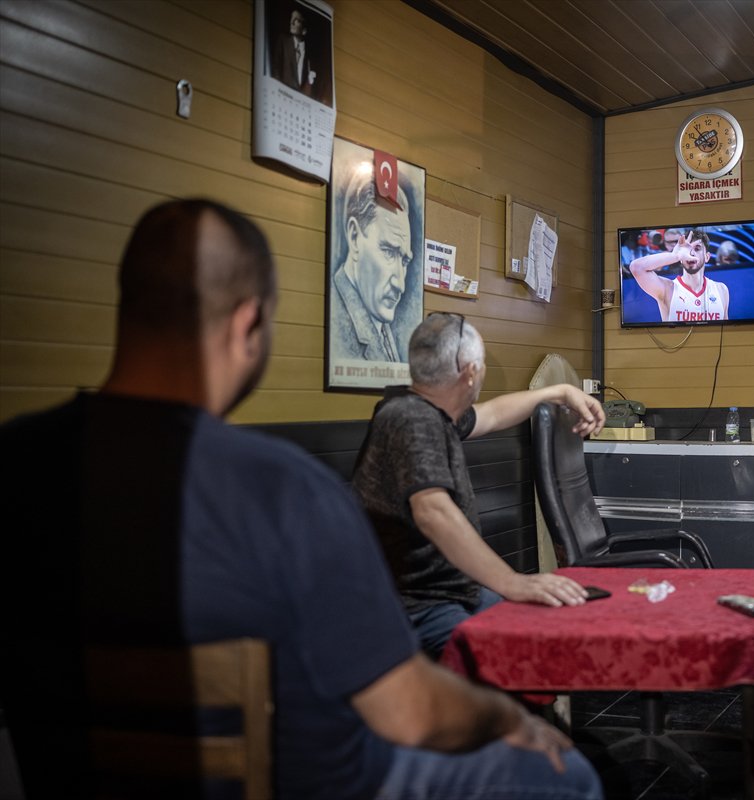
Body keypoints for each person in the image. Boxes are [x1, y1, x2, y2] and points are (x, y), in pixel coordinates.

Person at [0, 199, 603, 800]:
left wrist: (553, 393)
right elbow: (408, 711)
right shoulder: (286, 488)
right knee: (569, 774)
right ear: (247, 325)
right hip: (314, 778)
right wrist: (506, 719)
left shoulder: (18, 462)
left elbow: (489, 416)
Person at [353, 312, 605, 658]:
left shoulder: (425, 411)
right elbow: (433, 512)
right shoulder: (411, 419)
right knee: (523, 656)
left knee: (548, 628)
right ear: (470, 372)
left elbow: (493, 414)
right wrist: (513, 582)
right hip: (418, 606)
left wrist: (560, 391)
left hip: (455, 591)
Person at [330, 166, 414, 363]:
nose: (400, 285)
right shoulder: (339, 325)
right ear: (354, 237)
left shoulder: (379, 322)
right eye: (389, 252)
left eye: (404, 260)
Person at [629, 228, 730, 323]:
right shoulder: (668, 289)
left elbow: (725, 330)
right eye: (687, 250)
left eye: (697, 249)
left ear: (707, 257)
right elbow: (636, 267)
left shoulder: (721, 290)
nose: (691, 254)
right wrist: (675, 256)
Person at [272, 8, 316, 96]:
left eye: (297, 20)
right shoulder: (283, 41)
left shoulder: (310, 53)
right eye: (292, 18)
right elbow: (275, 69)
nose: (292, 22)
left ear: (304, 30)